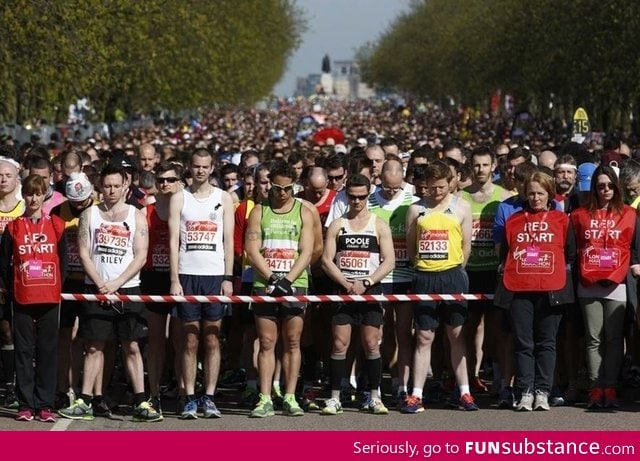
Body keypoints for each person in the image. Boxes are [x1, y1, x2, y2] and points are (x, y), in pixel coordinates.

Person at [59, 164, 162, 422]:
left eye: (117, 185)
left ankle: (141, 401)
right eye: (107, 186)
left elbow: (140, 256)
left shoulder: (136, 215)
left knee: (132, 346)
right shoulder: (90, 215)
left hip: (127, 290)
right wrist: (101, 283)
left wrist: (117, 282)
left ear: (126, 186)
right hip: (96, 291)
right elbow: (84, 253)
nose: (112, 190)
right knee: (93, 347)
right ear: (100, 188)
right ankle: (84, 400)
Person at [402, 160, 478, 413]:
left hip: (453, 275)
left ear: (450, 183)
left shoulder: (462, 207)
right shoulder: (415, 210)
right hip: (424, 276)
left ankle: (465, 392)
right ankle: (416, 395)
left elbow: (467, 245)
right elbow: (411, 246)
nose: (436, 192)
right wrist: (423, 266)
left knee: (456, 335)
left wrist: (456, 269)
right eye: (431, 188)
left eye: (441, 187)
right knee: (424, 336)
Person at [496, 171, 576, 411]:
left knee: (547, 342)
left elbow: (570, 253)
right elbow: (505, 254)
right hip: (519, 288)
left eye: (540, 193)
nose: (535, 198)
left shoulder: (562, 220)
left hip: (551, 288)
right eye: (531, 193)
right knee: (523, 343)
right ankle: (526, 391)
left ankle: (543, 391)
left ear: (549, 194)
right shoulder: (514, 220)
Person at [321, 173, 396, 415]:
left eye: (362, 197)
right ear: (346, 195)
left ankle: (374, 396)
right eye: (352, 197)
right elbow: (326, 260)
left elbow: (389, 261)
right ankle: (334, 397)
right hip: (343, 291)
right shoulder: (337, 224)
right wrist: (345, 282)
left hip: (370, 290)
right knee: (339, 343)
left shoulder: (379, 224)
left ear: (369, 195)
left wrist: (367, 281)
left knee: (371, 344)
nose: (357, 202)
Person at [245, 160, 314, 418]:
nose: (282, 193)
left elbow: (307, 251)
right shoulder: (259, 212)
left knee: (293, 341)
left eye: (287, 188)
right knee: (266, 342)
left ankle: (290, 396)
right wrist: (273, 277)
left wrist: (288, 280)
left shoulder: (304, 212)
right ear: (269, 185)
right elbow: (252, 249)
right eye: (277, 188)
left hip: (295, 284)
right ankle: (264, 397)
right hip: (265, 284)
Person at [168, 148, 234, 419]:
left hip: (215, 275)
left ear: (212, 168)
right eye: (196, 166)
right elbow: (173, 241)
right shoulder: (178, 198)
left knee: (212, 338)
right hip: (187, 275)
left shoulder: (224, 198)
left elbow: (228, 241)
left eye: (205, 167)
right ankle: (189, 397)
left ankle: (209, 396)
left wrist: (228, 277)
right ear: (189, 167)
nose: (200, 171)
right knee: (190, 339)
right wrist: (174, 279)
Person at [570, 165, 640, 408]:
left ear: (616, 186)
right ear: (594, 188)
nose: (606, 189)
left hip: (617, 283)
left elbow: (634, 246)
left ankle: (610, 387)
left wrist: (635, 264)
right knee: (593, 339)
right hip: (588, 284)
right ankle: (595, 387)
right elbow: (573, 247)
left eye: (610, 185)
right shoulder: (579, 215)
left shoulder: (629, 214)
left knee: (613, 338)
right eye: (601, 186)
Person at [0, 175, 67, 422]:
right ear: (24, 196)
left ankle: (45, 404)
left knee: (48, 351)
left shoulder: (57, 225)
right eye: (29, 194)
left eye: (38, 194)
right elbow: (4, 263)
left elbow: (64, 262)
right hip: (22, 297)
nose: (34, 198)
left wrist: (58, 286)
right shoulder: (13, 227)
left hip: (49, 297)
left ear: (45, 196)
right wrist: (10, 289)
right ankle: (26, 404)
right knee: (24, 352)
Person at [51, 172, 97, 410]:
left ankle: (94, 393)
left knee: (93, 339)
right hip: (67, 282)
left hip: (93, 281)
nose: (78, 205)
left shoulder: (99, 209)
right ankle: (62, 388)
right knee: (65, 337)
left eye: (82, 200)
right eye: (74, 201)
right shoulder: (57, 212)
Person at [142, 162, 184, 415]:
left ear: (180, 181)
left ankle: (182, 392)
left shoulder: (188, 208)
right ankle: (154, 393)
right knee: (156, 340)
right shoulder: (146, 211)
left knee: (180, 341)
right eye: (160, 180)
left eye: (170, 179)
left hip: (181, 277)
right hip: (153, 278)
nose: (165, 184)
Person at [0, 158, 25, 408]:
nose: (3, 179)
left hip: (16, 280)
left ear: (17, 179)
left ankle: (12, 385)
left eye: (8, 175)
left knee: (10, 330)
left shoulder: (23, 207)